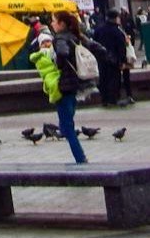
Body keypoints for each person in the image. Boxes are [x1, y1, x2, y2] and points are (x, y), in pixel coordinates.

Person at [32, 14, 88, 165]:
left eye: (54, 21)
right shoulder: (75, 36)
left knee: (67, 128)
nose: (52, 23)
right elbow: (94, 46)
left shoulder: (60, 38)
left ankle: (80, 158)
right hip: (75, 84)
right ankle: (80, 157)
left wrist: (57, 62)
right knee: (66, 124)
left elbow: (62, 53)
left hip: (63, 85)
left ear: (61, 23)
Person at [95, 9, 130, 108]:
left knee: (103, 78)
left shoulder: (99, 29)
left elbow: (94, 42)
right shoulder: (117, 31)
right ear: (115, 18)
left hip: (101, 58)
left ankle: (104, 99)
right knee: (114, 79)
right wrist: (123, 60)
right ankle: (113, 99)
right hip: (114, 59)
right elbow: (121, 47)